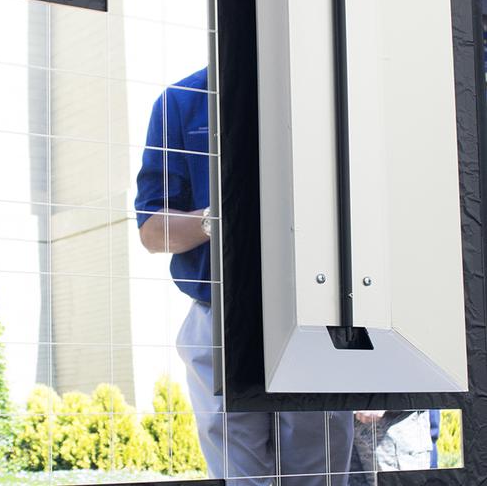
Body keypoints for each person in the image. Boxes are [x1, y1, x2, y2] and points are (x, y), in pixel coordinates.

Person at [134, 67, 354, 485]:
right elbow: (151, 230)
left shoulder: (325, 86)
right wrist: (218, 217)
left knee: (319, 475)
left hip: (317, 314)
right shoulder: (181, 101)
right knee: (241, 479)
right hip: (216, 316)